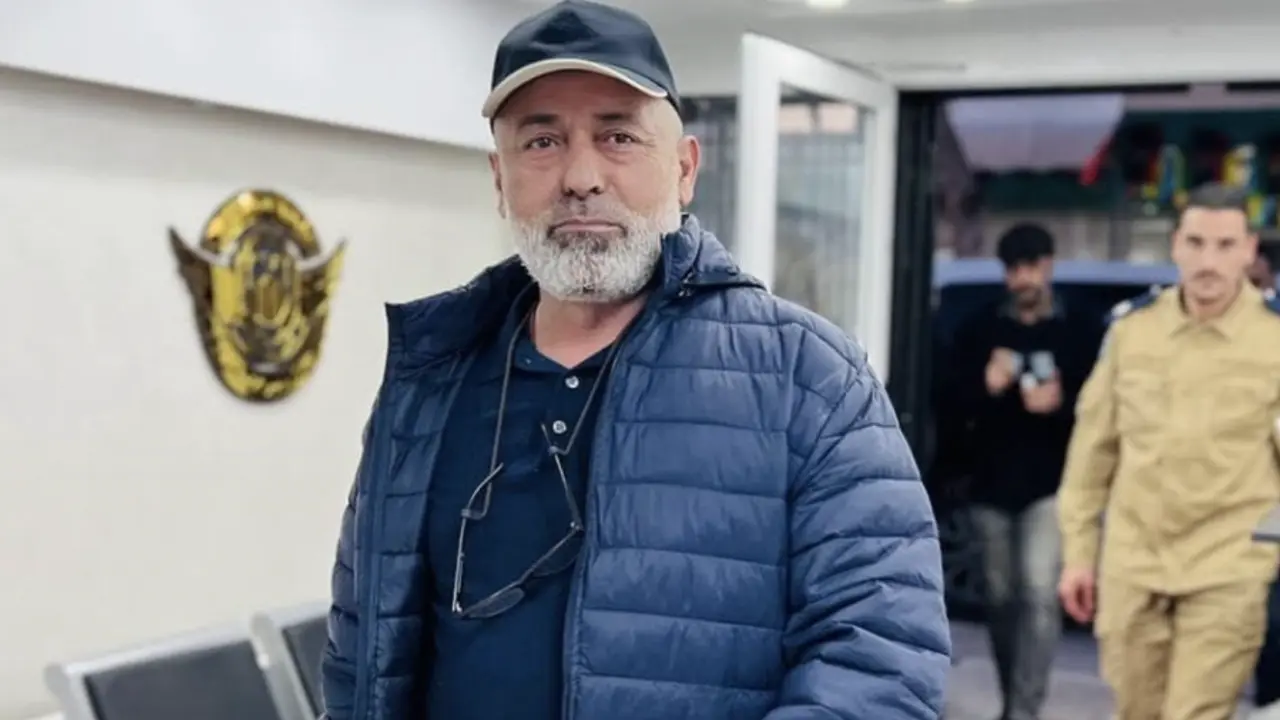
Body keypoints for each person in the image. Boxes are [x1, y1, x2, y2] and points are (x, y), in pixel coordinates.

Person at [317, 2, 950, 719]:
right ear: (499, 178)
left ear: (684, 169)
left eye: (617, 136)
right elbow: (360, 648)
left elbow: (881, 660)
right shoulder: (429, 382)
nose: (580, 176)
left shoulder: (810, 380)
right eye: (542, 141)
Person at [1057, 183, 1280, 720]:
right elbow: (1091, 453)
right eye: (1196, 243)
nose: (1209, 261)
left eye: (1225, 245)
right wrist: (1079, 555)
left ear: (1249, 251)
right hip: (1134, 561)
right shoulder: (1133, 331)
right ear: (1176, 244)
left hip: (1227, 565)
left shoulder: (1273, 340)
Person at [945, 224, 1101, 720]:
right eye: (1013, 270)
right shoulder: (980, 327)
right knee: (999, 597)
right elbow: (946, 403)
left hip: (1052, 483)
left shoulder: (1080, 329)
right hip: (991, 481)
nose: (1023, 280)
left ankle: (1023, 710)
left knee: (1038, 592)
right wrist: (985, 386)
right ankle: (1013, 696)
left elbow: (1102, 412)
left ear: (1049, 265)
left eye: (1031, 268)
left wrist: (1060, 404)